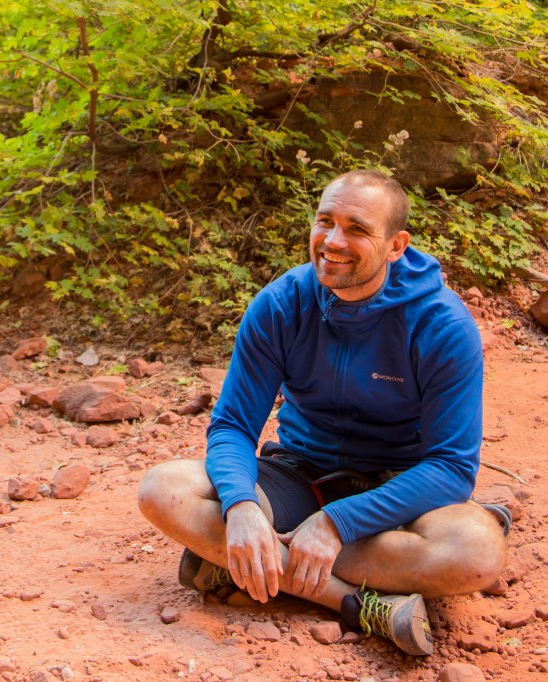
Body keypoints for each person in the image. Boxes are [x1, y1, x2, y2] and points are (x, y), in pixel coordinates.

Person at [137, 169, 510, 656]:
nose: (333, 241)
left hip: (396, 489)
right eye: (325, 221)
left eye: (357, 228)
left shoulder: (442, 325)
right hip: (296, 473)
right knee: (162, 490)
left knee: (475, 554)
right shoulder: (280, 305)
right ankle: (356, 604)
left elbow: (451, 467)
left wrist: (338, 523)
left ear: (396, 246)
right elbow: (232, 426)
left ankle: (242, 560)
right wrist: (242, 507)